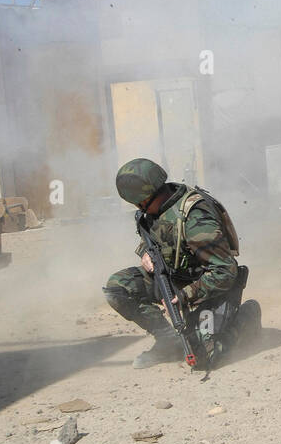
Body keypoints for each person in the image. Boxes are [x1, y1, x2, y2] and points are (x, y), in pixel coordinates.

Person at [104, 158, 261, 369]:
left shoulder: (195, 218)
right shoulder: (152, 209)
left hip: (208, 288)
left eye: (139, 203)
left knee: (204, 358)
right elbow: (154, 239)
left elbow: (225, 271)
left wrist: (185, 296)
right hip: (173, 278)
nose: (138, 208)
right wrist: (145, 253)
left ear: (147, 198)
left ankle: (247, 318)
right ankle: (168, 340)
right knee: (118, 289)